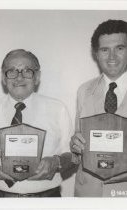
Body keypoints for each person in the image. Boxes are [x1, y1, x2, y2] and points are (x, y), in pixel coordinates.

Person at [0, 49, 74, 197]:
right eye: (12, 71)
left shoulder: (58, 109)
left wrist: (56, 161)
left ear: (37, 77)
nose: (19, 78)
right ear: (3, 78)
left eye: (27, 71)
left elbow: (72, 156)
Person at [70, 19, 127, 197]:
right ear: (95, 53)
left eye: (119, 48)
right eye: (104, 50)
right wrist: (74, 146)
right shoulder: (84, 91)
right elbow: (76, 152)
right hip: (88, 193)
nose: (112, 57)